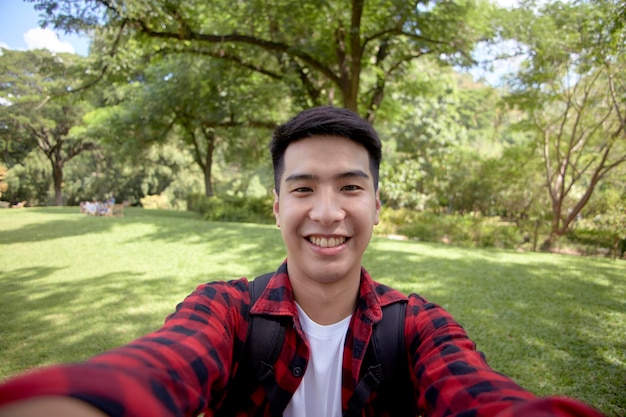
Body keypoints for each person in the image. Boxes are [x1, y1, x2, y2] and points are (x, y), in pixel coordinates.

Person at [0, 107, 604, 417]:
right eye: (302, 189)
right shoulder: (224, 309)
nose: (327, 213)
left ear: (375, 202)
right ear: (277, 204)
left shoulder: (419, 326)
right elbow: (160, 367)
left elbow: (481, 395)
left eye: (348, 187)